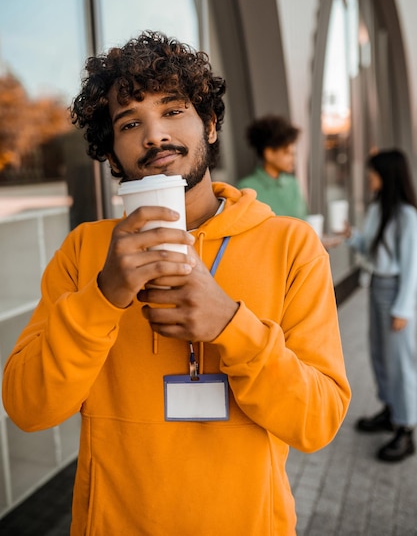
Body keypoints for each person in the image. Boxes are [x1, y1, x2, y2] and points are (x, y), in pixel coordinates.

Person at [2, 31, 350, 536]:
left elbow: (317, 422)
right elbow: (28, 408)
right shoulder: (83, 251)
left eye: (172, 110)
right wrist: (103, 296)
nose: (154, 135)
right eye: (129, 122)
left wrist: (232, 325)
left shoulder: (291, 246)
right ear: (112, 154)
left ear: (209, 125)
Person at [344, 149, 417, 462]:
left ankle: (406, 429)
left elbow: (412, 266)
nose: (369, 177)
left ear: (387, 176)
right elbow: (372, 249)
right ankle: (391, 410)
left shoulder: (407, 216)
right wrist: (352, 236)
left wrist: (403, 308)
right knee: (380, 356)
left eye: (373, 172)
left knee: (401, 362)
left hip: (395, 291)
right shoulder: (378, 209)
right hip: (376, 288)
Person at [237, 114, 308, 219]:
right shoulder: (246, 188)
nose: (293, 159)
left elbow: (305, 220)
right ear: (269, 154)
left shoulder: (293, 184)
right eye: (287, 153)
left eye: (294, 153)